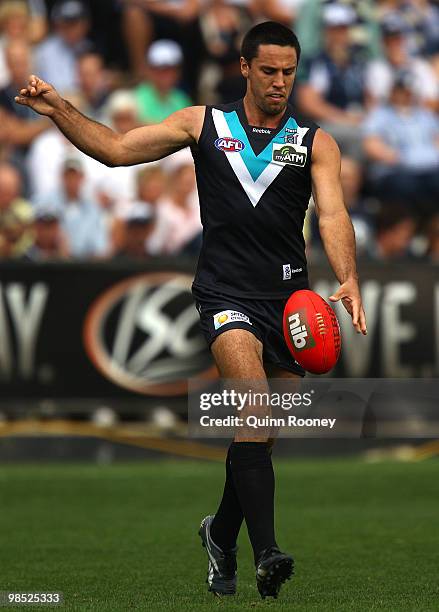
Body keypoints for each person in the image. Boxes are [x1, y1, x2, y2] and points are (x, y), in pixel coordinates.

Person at [15, 20, 367, 599]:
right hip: (225, 292)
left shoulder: (314, 141)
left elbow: (331, 215)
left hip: (289, 301)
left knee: (261, 437)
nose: (280, 83)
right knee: (252, 415)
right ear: (245, 68)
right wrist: (59, 108)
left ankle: (219, 534)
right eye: (270, 71)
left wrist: (348, 276)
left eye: (289, 72)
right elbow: (116, 150)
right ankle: (269, 551)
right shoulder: (203, 124)